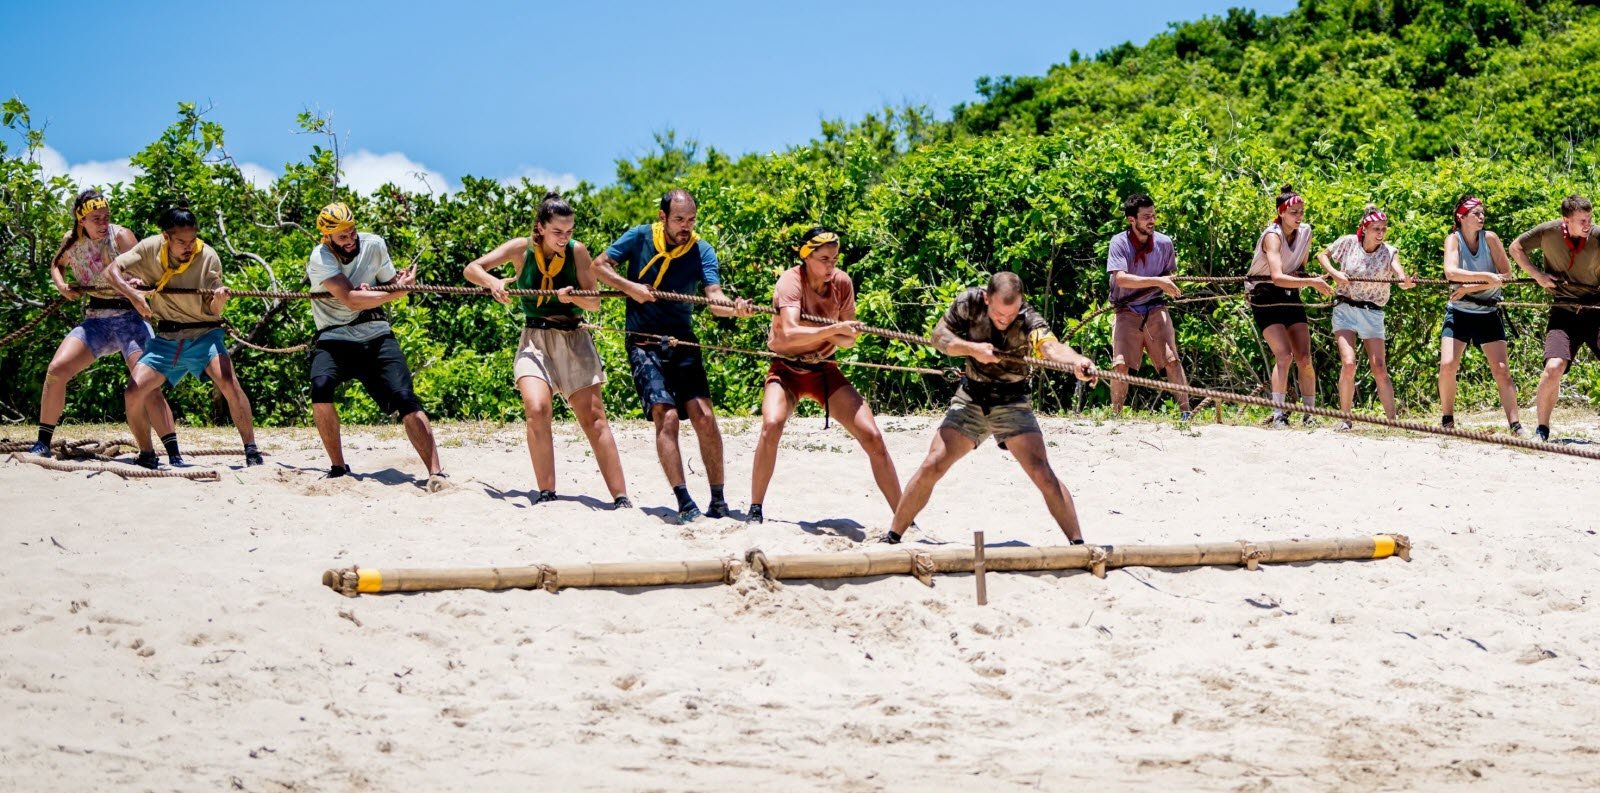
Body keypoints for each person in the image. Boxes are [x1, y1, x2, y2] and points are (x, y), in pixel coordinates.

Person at [882, 272, 1097, 545]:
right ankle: (893, 537)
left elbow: (1051, 348)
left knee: (1042, 472)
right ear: (986, 298)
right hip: (971, 396)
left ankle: (1078, 544)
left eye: (1011, 313)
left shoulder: (1028, 318)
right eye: (998, 314)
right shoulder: (970, 302)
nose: (1005, 320)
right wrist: (971, 349)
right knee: (933, 463)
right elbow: (939, 337)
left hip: (1012, 400)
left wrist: (1078, 362)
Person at [592, 188, 754, 524]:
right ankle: (684, 502)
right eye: (679, 219)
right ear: (663, 217)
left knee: (704, 417)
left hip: (683, 341)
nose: (686, 226)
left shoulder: (701, 249)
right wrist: (630, 287)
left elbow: (713, 297)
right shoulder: (639, 237)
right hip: (642, 342)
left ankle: (719, 500)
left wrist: (734, 309)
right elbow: (599, 266)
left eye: (691, 220)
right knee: (664, 417)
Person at [462, 192, 630, 507]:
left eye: (569, 231)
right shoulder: (519, 248)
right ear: (540, 228)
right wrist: (493, 283)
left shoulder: (578, 252)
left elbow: (593, 302)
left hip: (573, 339)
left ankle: (621, 498)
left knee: (594, 418)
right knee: (536, 408)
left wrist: (573, 297)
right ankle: (547, 492)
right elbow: (472, 269)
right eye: (557, 232)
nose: (564, 238)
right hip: (534, 339)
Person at [746, 228, 901, 524]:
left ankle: (904, 515)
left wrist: (845, 333)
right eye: (824, 259)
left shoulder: (842, 282)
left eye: (835, 259)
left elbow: (848, 341)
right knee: (771, 424)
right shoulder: (790, 281)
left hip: (824, 369)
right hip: (786, 367)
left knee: (873, 436)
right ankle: (755, 508)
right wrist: (833, 329)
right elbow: (790, 332)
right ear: (806, 256)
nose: (831, 266)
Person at [32, 190, 182, 465]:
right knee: (56, 370)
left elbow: (150, 271)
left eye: (106, 217)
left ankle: (172, 454)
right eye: (95, 218)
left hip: (131, 320)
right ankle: (42, 443)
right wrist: (62, 287)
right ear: (81, 220)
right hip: (96, 321)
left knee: (146, 385)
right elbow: (57, 265)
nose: (103, 223)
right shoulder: (71, 241)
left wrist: (140, 285)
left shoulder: (122, 236)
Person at [305, 202, 447, 490]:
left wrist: (400, 283)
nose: (350, 240)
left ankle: (436, 473)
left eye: (352, 232)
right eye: (342, 236)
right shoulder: (320, 258)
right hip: (334, 336)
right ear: (327, 237)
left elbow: (388, 283)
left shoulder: (374, 244)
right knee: (320, 387)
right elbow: (351, 299)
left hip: (376, 332)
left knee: (406, 398)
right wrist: (394, 293)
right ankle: (338, 466)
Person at [107, 206, 261, 467]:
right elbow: (111, 271)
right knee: (133, 392)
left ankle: (251, 449)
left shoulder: (208, 256)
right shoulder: (149, 248)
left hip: (204, 333)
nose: (189, 246)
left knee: (228, 382)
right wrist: (134, 294)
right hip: (167, 337)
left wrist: (220, 301)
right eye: (181, 241)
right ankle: (147, 453)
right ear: (165, 237)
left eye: (193, 240)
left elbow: (213, 309)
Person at [1508, 195, 1600, 442]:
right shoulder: (1548, 232)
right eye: (1582, 220)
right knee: (1553, 367)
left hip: (1596, 310)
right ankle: (1542, 430)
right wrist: (1537, 275)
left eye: (1590, 218)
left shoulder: (1597, 236)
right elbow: (1515, 248)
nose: (1587, 224)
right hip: (1564, 311)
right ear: (1566, 220)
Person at [1315, 205, 1416, 428]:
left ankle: (1393, 422)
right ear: (1365, 228)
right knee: (1349, 363)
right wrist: (1334, 273)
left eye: (1383, 228)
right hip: (1345, 309)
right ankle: (1345, 418)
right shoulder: (1348, 242)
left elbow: (1399, 274)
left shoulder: (1389, 251)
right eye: (1375, 228)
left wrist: (1405, 282)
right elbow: (1322, 255)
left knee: (1379, 367)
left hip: (1372, 312)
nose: (1380, 233)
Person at [1246, 185, 1333, 426]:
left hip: (1291, 291)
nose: (1298, 217)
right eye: (1293, 212)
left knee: (1304, 357)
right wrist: (1312, 283)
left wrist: (1316, 278)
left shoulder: (1305, 232)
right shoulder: (1271, 236)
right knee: (1284, 355)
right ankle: (1278, 414)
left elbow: (1299, 268)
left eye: (1301, 212)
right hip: (1264, 295)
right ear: (1281, 212)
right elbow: (1277, 275)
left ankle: (1310, 413)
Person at [1439, 196, 1523, 434]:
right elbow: (1450, 272)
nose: (1481, 216)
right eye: (1475, 213)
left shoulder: (1491, 238)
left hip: (1488, 311)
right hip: (1459, 312)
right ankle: (1447, 419)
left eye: (1482, 213)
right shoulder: (1453, 240)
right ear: (1461, 217)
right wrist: (1486, 278)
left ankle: (1515, 424)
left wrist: (1470, 287)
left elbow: (1506, 276)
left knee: (1501, 369)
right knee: (1447, 364)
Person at [1105, 193, 1192, 420]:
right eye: (1145, 217)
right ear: (1131, 220)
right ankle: (1116, 417)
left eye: (1153, 215)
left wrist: (1169, 283)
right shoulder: (1119, 242)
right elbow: (1121, 279)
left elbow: (1169, 273)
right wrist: (1157, 281)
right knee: (1121, 365)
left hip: (1155, 306)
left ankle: (1186, 413)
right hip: (1126, 309)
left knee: (1171, 359)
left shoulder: (1164, 243)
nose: (1151, 221)